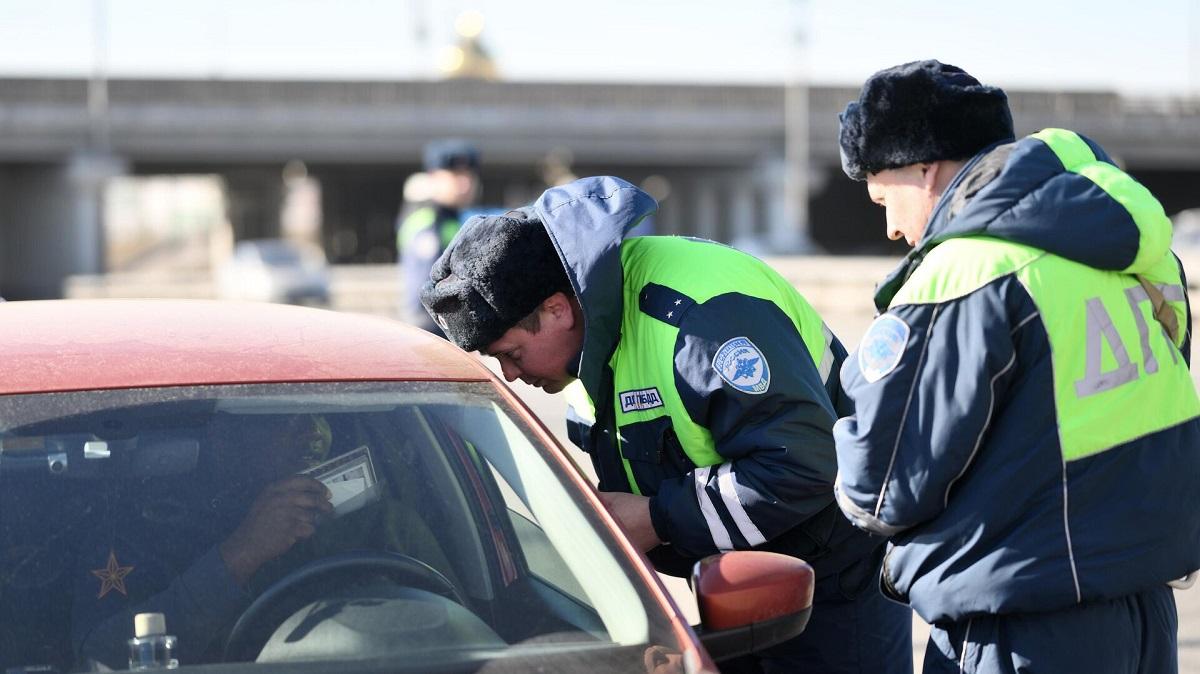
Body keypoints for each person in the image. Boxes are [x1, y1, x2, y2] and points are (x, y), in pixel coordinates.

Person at [420, 176, 912, 674]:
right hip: (734, 579)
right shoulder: (585, 344)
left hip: (833, 584)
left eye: (511, 353)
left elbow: (805, 467)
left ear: (556, 309)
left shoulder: (699, 325)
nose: (510, 374)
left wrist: (657, 518)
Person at [832, 60, 1200, 674]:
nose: (892, 227)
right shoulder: (1133, 251)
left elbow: (882, 487)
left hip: (1021, 623)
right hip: (1144, 613)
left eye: (882, 197)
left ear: (924, 168)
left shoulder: (964, 276)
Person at [72, 414, 334, 667]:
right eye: (285, 420)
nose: (311, 432)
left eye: (314, 417)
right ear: (224, 437)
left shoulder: (336, 516)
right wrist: (243, 553)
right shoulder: (138, 529)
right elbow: (100, 656)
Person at [396, 139, 480, 336]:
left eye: (469, 175)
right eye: (455, 175)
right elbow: (423, 291)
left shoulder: (454, 217)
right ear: (433, 177)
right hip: (430, 330)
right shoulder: (426, 220)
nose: (465, 184)